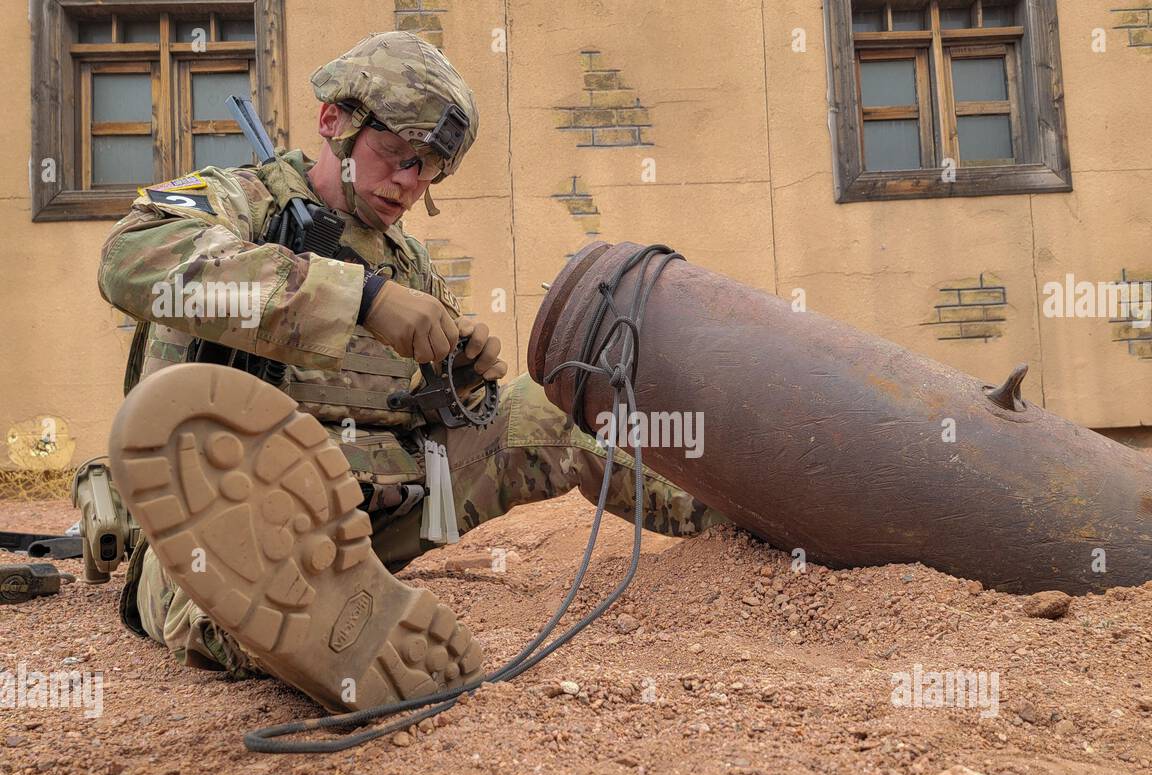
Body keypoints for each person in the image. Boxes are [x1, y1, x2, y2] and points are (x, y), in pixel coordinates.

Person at [98, 31, 726, 712]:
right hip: (220, 524)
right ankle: (291, 629)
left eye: (429, 169)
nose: (410, 182)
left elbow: (429, 419)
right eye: (396, 157)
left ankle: (733, 518)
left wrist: (465, 381)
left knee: (548, 408)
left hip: (367, 525)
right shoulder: (240, 202)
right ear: (333, 123)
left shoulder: (409, 262)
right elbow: (132, 257)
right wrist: (357, 299)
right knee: (234, 592)